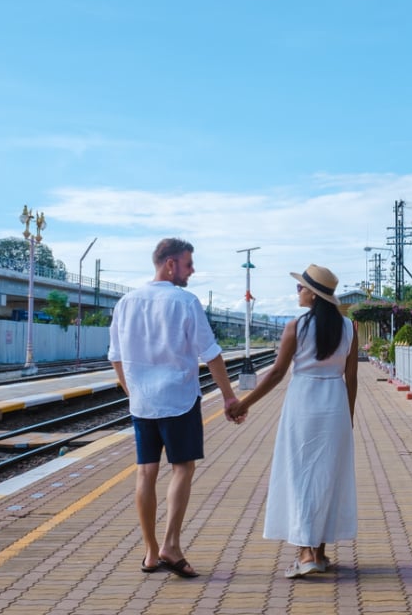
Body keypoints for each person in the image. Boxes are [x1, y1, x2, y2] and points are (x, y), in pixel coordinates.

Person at [108, 238, 241, 578]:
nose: (192, 270)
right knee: (182, 468)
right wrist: (229, 397)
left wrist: (132, 391)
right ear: (170, 264)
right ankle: (171, 544)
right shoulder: (184, 301)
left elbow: (116, 358)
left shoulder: (126, 302)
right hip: (179, 400)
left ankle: (151, 552)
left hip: (142, 403)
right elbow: (210, 353)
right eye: (188, 263)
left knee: (146, 472)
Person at [228, 263, 358, 579]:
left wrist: (243, 402)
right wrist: (348, 419)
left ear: (312, 295)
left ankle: (305, 553)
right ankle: (321, 552)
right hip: (335, 404)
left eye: (301, 288)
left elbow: (275, 373)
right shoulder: (348, 328)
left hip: (302, 404)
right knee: (327, 476)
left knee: (300, 475)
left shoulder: (295, 327)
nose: (297, 292)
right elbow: (351, 378)